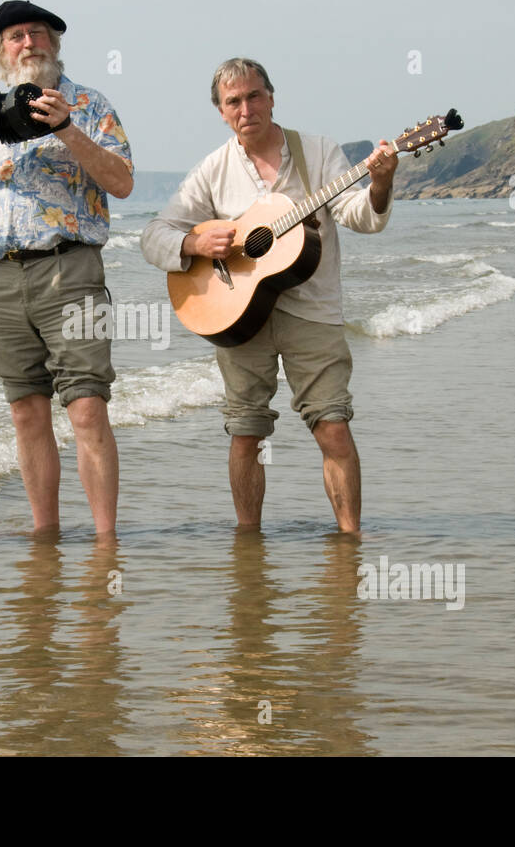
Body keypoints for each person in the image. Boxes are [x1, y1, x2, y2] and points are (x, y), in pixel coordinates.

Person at [141, 57, 397, 534]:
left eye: (254, 96)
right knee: (245, 433)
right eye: (233, 101)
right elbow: (153, 234)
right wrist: (193, 243)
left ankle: (350, 540)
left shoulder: (318, 152)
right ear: (221, 111)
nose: (246, 108)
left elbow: (361, 216)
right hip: (237, 315)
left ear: (272, 97)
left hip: (313, 311)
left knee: (333, 427)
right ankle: (248, 542)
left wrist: (380, 182)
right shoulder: (212, 170)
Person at [0, 0, 134, 536]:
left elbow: (121, 183)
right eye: (14, 37)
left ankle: (105, 541)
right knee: (26, 413)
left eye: (36, 33)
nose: (27, 43)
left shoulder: (89, 104)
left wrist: (67, 129)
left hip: (69, 270)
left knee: (86, 408)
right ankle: (45, 533)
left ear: (55, 43)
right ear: (0, 51)